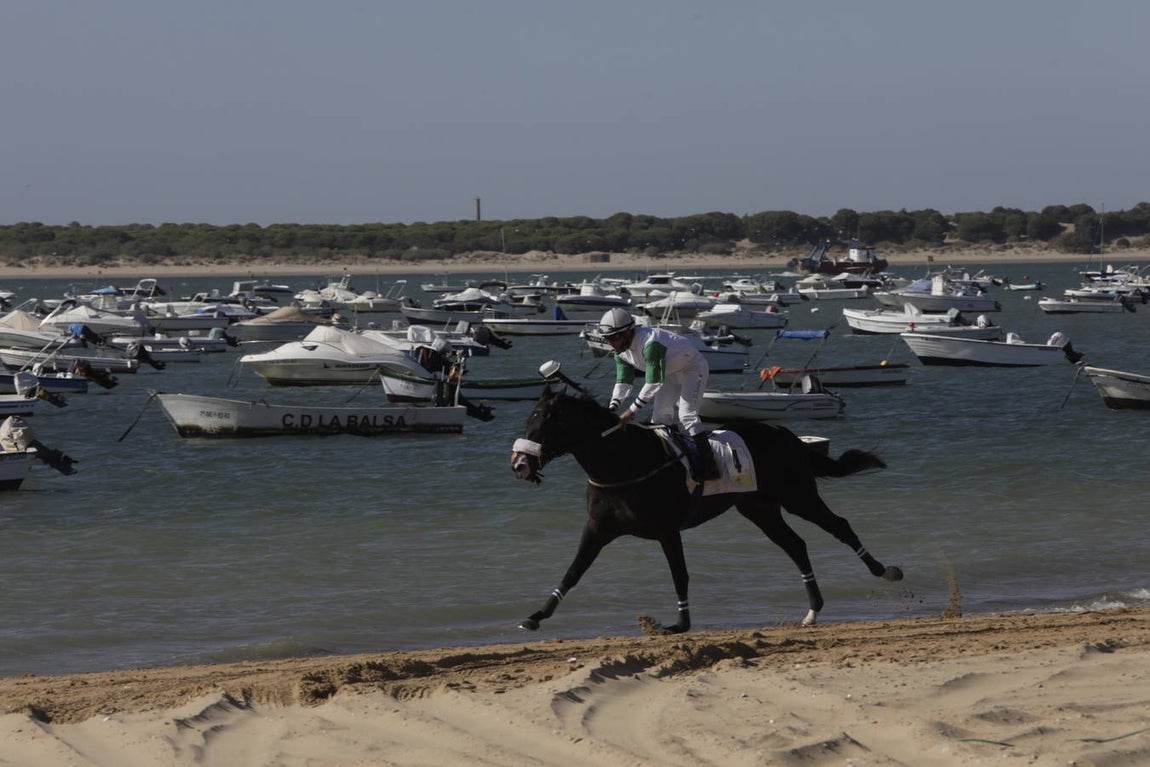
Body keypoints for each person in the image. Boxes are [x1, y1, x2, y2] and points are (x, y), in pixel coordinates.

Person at [597, 307, 719, 480]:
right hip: (669, 373)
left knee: (686, 416)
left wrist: (632, 410)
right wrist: (613, 406)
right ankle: (675, 461)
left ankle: (710, 466)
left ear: (627, 333)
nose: (611, 343)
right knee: (660, 419)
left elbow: (654, 382)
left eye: (614, 337)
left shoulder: (650, 343)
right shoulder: (621, 352)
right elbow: (623, 382)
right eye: (607, 338)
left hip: (692, 368)